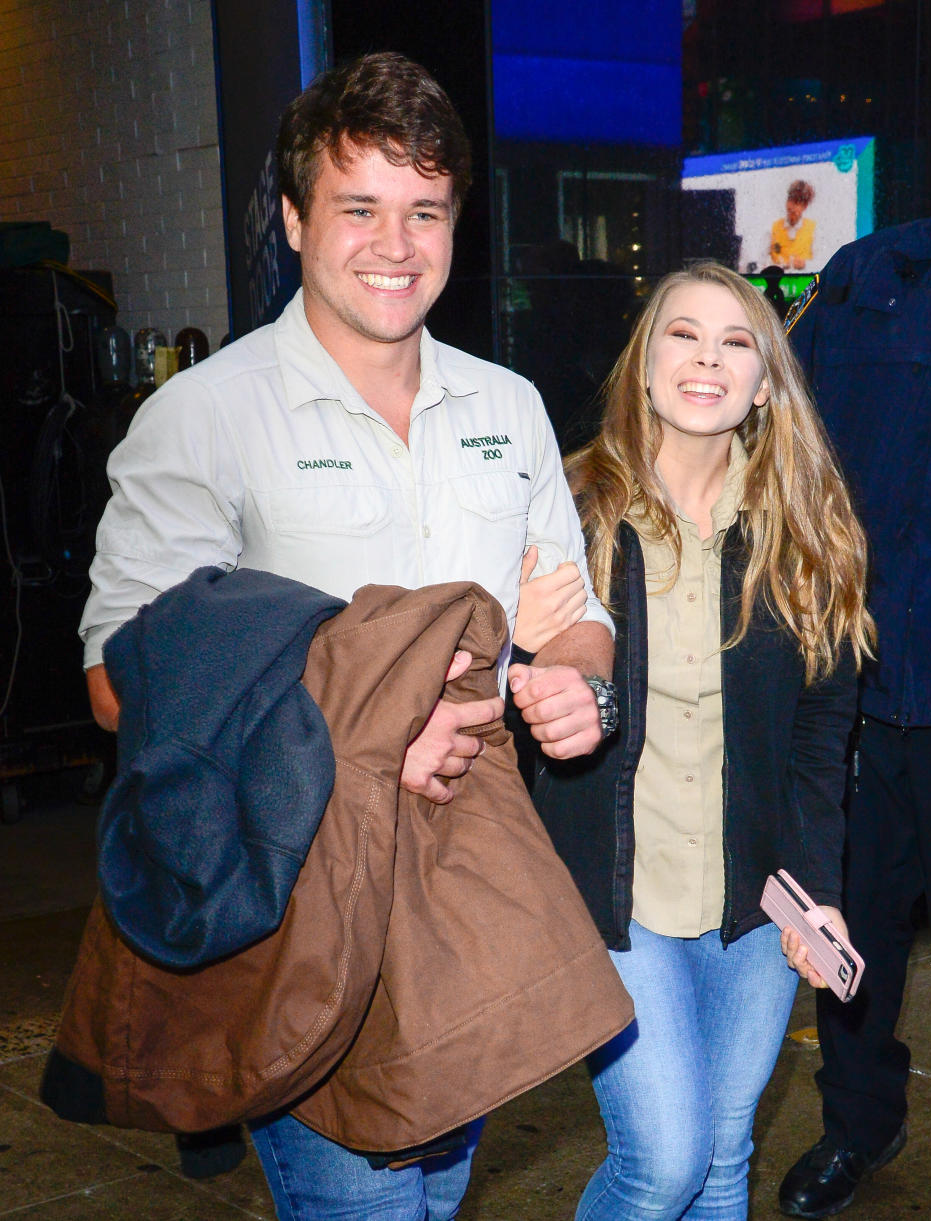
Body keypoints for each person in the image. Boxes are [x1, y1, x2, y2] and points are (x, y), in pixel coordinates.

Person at [78, 51, 616, 1221]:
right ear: (291, 217)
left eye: (425, 211)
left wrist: (580, 680)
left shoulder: (506, 407)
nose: (396, 244)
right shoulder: (205, 415)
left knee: (437, 1194)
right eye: (358, 206)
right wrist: (366, 738)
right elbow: (122, 680)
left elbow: (569, 614)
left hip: (473, 872)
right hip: (310, 888)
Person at [521, 260, 873, 1219]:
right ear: (643, 362)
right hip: (614, 893)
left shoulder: (805, 529)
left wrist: (820, 893)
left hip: (752, 903)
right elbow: (509, 700)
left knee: (723, 1162)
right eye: (684, 333)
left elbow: (819, 736)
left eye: (737, 341)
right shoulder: (568, 508)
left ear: (767, 380)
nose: (708, 359)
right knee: (665, 1161)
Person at [777, 171, 931, 1220]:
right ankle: (857, 1124)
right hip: (855, 681)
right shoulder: (869, 276)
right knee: (850, 939)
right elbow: (786, 446)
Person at [770, 179, 816, 270]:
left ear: (805, 206)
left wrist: (804, 265)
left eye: (797, 203)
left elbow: (822, 264)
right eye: (790, 200)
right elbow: (761, 262)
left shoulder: (813, 229)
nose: (791, 207)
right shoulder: (773, 228)